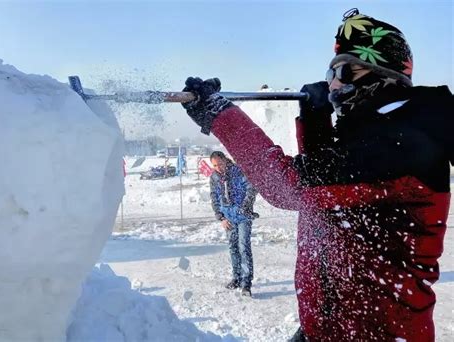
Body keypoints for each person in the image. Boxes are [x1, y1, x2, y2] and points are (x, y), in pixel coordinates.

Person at [181, 8, 453, 341]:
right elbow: (326, 207)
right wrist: (315, 122)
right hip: (331, 328)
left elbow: (287, 187)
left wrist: (219, 115)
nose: (331, 81)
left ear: (374, 74)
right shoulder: (372, 142)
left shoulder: (402, 144)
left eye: (340, 70)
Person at [209, 151, 258, 297]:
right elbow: (214, 197)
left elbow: (251, 189)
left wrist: (245, 207)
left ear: (225, 160)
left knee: (243, 247)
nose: (218, 167)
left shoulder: (239, 170)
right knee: (233, 248)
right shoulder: (214, 177)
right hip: (228, 218)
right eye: (215, 165)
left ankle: (246, 283)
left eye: (220, 163)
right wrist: (221, 218)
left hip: (242, 216)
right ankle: (236, 278)